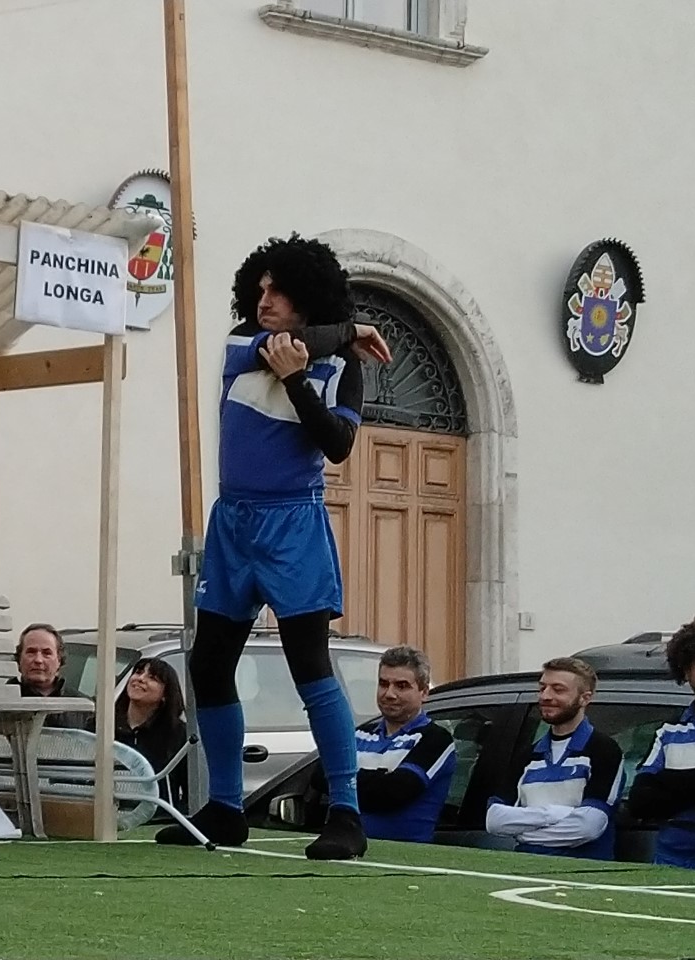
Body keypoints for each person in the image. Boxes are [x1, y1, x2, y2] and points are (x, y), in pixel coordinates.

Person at [156, 234, 392, 861]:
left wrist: (300, 381)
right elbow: (280, 347)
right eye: (259, 289)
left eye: (278, 291)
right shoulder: (244, 342)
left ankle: (345, 811)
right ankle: (226, 806)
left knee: (309, 665)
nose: (264, 301)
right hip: (233, 521)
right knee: (208, 666)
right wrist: (348, 331)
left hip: (293, 522)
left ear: (307, 296)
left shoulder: (343, 369)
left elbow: (337, 445)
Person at [484, 658, 623, 861]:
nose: (545, 696)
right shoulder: (528, 755)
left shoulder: (604, 750)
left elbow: (589, 827)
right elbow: (494, 820)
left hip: (585, 870)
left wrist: (524, 834)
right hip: (526, 866)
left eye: (558, 690)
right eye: (542, 688)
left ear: (585, 698)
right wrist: (555, 814)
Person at [625, 614, 695, 870]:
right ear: (686, 671)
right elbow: (640, 801)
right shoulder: (669, 732)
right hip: (671, 862)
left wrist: (669, 783)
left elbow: (657, 790)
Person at [354, 645, 457, 844]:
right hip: (351, 848)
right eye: (383, 684)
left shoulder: (436, 739)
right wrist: (381, 779)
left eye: (401, 686)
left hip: (404, 854)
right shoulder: (359, 734)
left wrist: (347, 781)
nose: (389, 694)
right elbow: (320, 777)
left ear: (424, 692)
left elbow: (394, 793)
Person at [91, 657, 189, 806]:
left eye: (152, 678)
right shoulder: (99, 725)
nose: (141, 678)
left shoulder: (179, 734)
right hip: (105, 812)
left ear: (166, 694)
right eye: (138, 672)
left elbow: (191, 792)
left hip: (158, 816)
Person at [12, 623, 81, 728]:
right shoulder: (1, 702)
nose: (38, 660)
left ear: (59, 660)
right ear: (19, 659)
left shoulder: (82, 708)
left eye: (46, 653)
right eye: (31, 652)